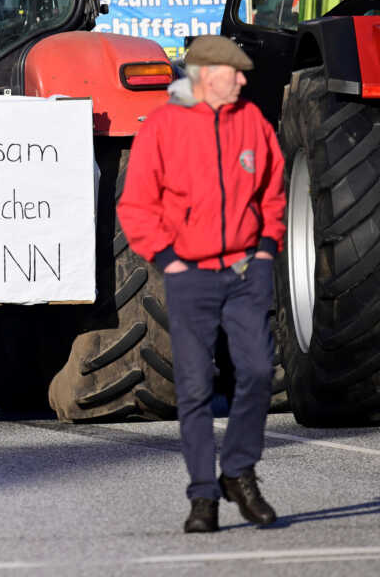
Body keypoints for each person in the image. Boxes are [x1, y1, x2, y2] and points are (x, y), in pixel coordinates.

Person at [118, 35, 286, 534]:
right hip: (189, 275)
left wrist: (265, 250)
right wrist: (167, 259)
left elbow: (273, 191)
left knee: (257, 370)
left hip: (243, 272)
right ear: (204, 75)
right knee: (193, 387)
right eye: (234, 73)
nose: (241, 80)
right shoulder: (165, 127)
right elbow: (136, 205)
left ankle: (237, 469)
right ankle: (203, 496)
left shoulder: (251, 122)